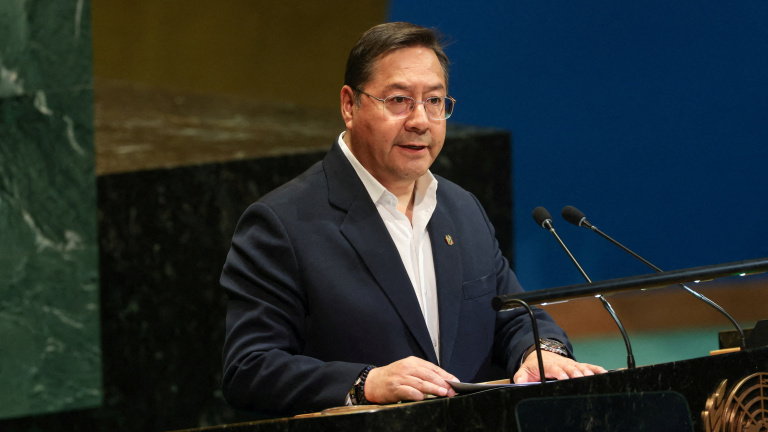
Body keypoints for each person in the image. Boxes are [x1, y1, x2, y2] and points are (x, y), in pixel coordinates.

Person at [220, 21, 606, 417]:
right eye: (399, 100)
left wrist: (541, 351)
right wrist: (366, 383)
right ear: (350, 106)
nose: (420, 120)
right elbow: (249, 368)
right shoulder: (282, 223)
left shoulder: (462, 208)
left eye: (434, 101)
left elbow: (513, 317)